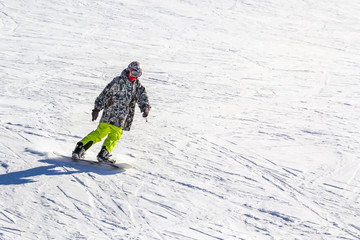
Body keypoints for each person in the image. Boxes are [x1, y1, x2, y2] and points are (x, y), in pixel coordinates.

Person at [72, 61, 151, 163]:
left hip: (120, 114)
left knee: (101, 133)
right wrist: (97, 108)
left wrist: (145, 108)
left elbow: (142, 97)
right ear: (129, 70)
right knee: (114, 134)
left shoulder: (138, 86)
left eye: (138, 74)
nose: (135, 76)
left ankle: (84, 147)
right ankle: (88, 150)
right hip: (113, 112)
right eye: (133, 72)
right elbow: (105, 93)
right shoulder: (117, 81)